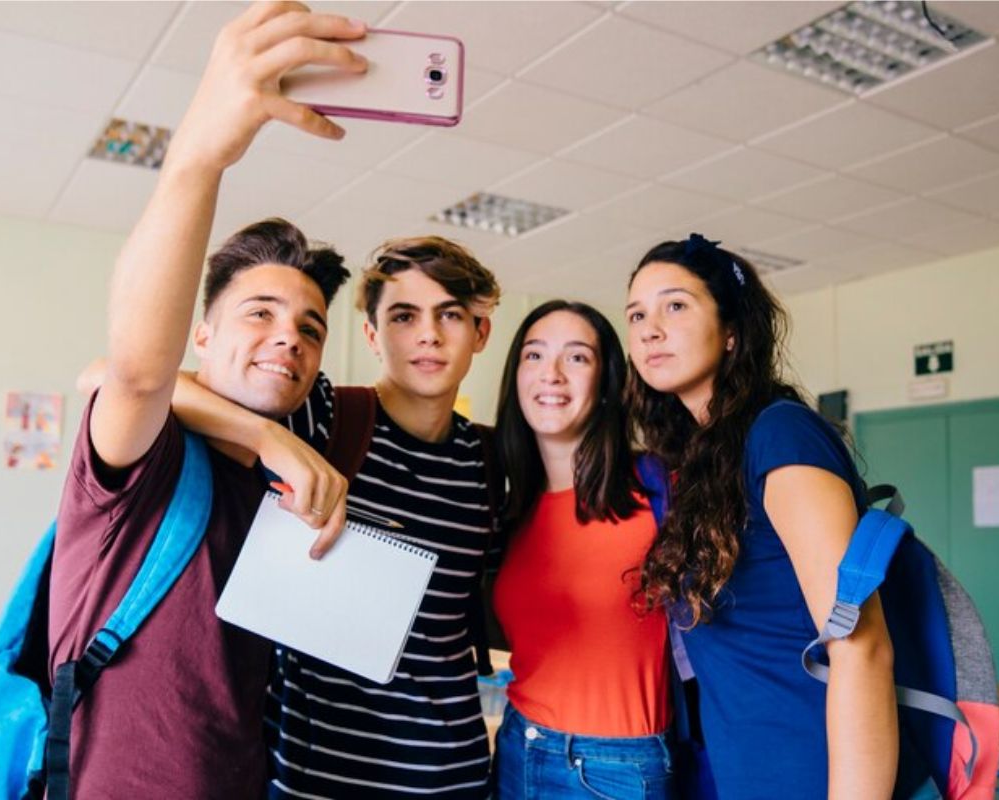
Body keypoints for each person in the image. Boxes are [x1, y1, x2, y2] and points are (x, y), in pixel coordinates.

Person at [47, 4, 366, 796]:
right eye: (258, 314)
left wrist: (272, 445)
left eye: (309, 328)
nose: (287, 338)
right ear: (201, 336)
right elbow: (132, 374)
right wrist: (196, 159)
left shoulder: (286, 488)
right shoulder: (142, 459)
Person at [128, 234, 503, 797]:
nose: (427, 334)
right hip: (312, 774)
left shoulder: (494, 461)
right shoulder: (326, 416)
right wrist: (269, 438)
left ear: (480, 333)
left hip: (449, 773)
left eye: (449, 315)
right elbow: (125, 384)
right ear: (373, 336)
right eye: (404, 316)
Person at [624, 233, 899, 799]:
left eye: (675, 305)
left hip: (813, 769)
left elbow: (861, 644)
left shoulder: (780, 435)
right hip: (745, 769)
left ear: (731, 332)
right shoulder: (701, 457)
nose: (650, 328)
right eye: (637, 314)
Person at [489, 300, 677, 799]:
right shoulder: (510, 507)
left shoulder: (657, 488)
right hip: (517, 746)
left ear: (606, 385)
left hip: (614, 767)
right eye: (533, 356)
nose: (550, 374)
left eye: (576, 358)